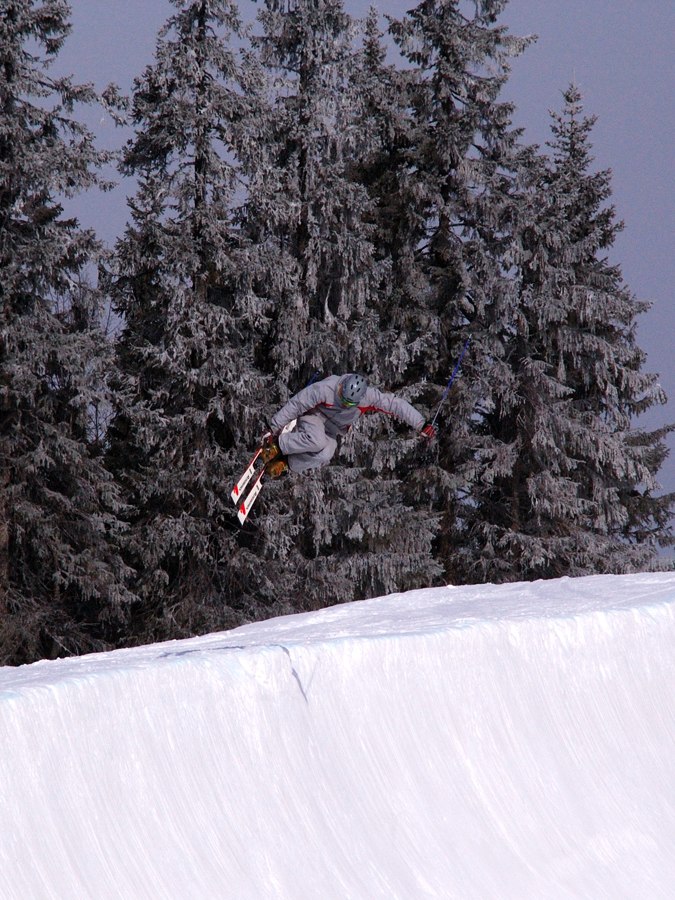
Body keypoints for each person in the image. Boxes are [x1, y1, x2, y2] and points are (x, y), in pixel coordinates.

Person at [261, 373, 437, 477]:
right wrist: (273, 428)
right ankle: (278, 447)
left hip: (332, 430)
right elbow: (297, 404)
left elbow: (394, 404)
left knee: (326, 453)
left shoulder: (368, 397)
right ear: (341, 388)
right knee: (316, 440)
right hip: (314, 417)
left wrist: (421, 424)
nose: (345, 404)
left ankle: (286, 463)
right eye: (343, 398)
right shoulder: (326, 388)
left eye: (349, 403)